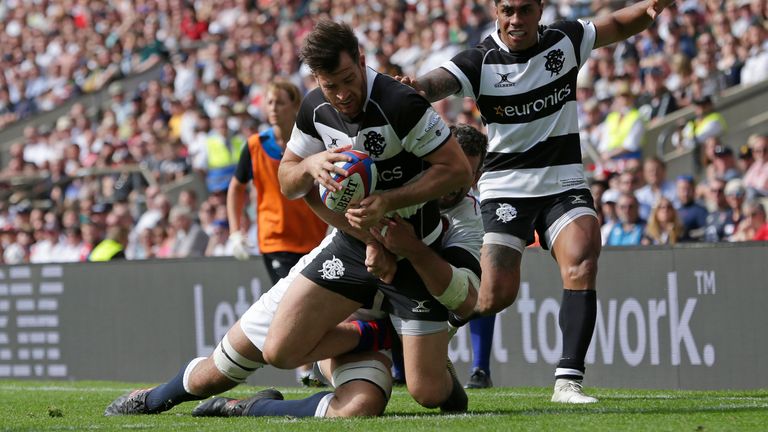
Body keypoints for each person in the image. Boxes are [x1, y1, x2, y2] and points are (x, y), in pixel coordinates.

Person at [103, 124, 486, 419]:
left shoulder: (468, 219)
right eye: (451, 173)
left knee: (361, 406)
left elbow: (462, 298)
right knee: (216, 373)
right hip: (331, 283)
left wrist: (411, 250)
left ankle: (247, 408)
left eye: (465, 177)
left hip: (393, 314)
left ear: (477, 174)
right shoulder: (395, 174)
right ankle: (152, 398)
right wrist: (373, 240)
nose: (452, 188)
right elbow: (318, 200)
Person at [399, 0, 679, 403]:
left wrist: (652, 6)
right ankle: (431, 334)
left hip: (562, 180)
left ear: (540, 9)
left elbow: (616, 23)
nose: (517, 19)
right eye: (508, 10)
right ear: (496, 11)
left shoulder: (565, 40)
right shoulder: (479, 61)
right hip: (506, 186)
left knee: (582, 256)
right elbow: (435, 83)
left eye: (525, 9)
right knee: (496, 294)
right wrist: (416, 88)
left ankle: (568, 383)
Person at [266, 20, 473, 412]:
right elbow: (287, 181)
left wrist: (389, 201)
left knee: (428, 392)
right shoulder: (314, 106)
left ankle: (425, 360)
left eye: (348, 79)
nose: (342, 94)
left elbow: (457, 169)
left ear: (361, 60)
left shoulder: (400, 103)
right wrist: (310, 165)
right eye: (331, 85)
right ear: (316, 79)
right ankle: (379, 334)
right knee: (280, 351)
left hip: (413, 249)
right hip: (353, 246)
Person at [226, 80, 328, 285]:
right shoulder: (255, 145)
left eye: (279, 102)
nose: (273, 108)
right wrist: (235, 231)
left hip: (314, 238)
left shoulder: (315, 142)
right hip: (276, 241)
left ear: (295, 106)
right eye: (270, 102)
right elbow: (236, 187)